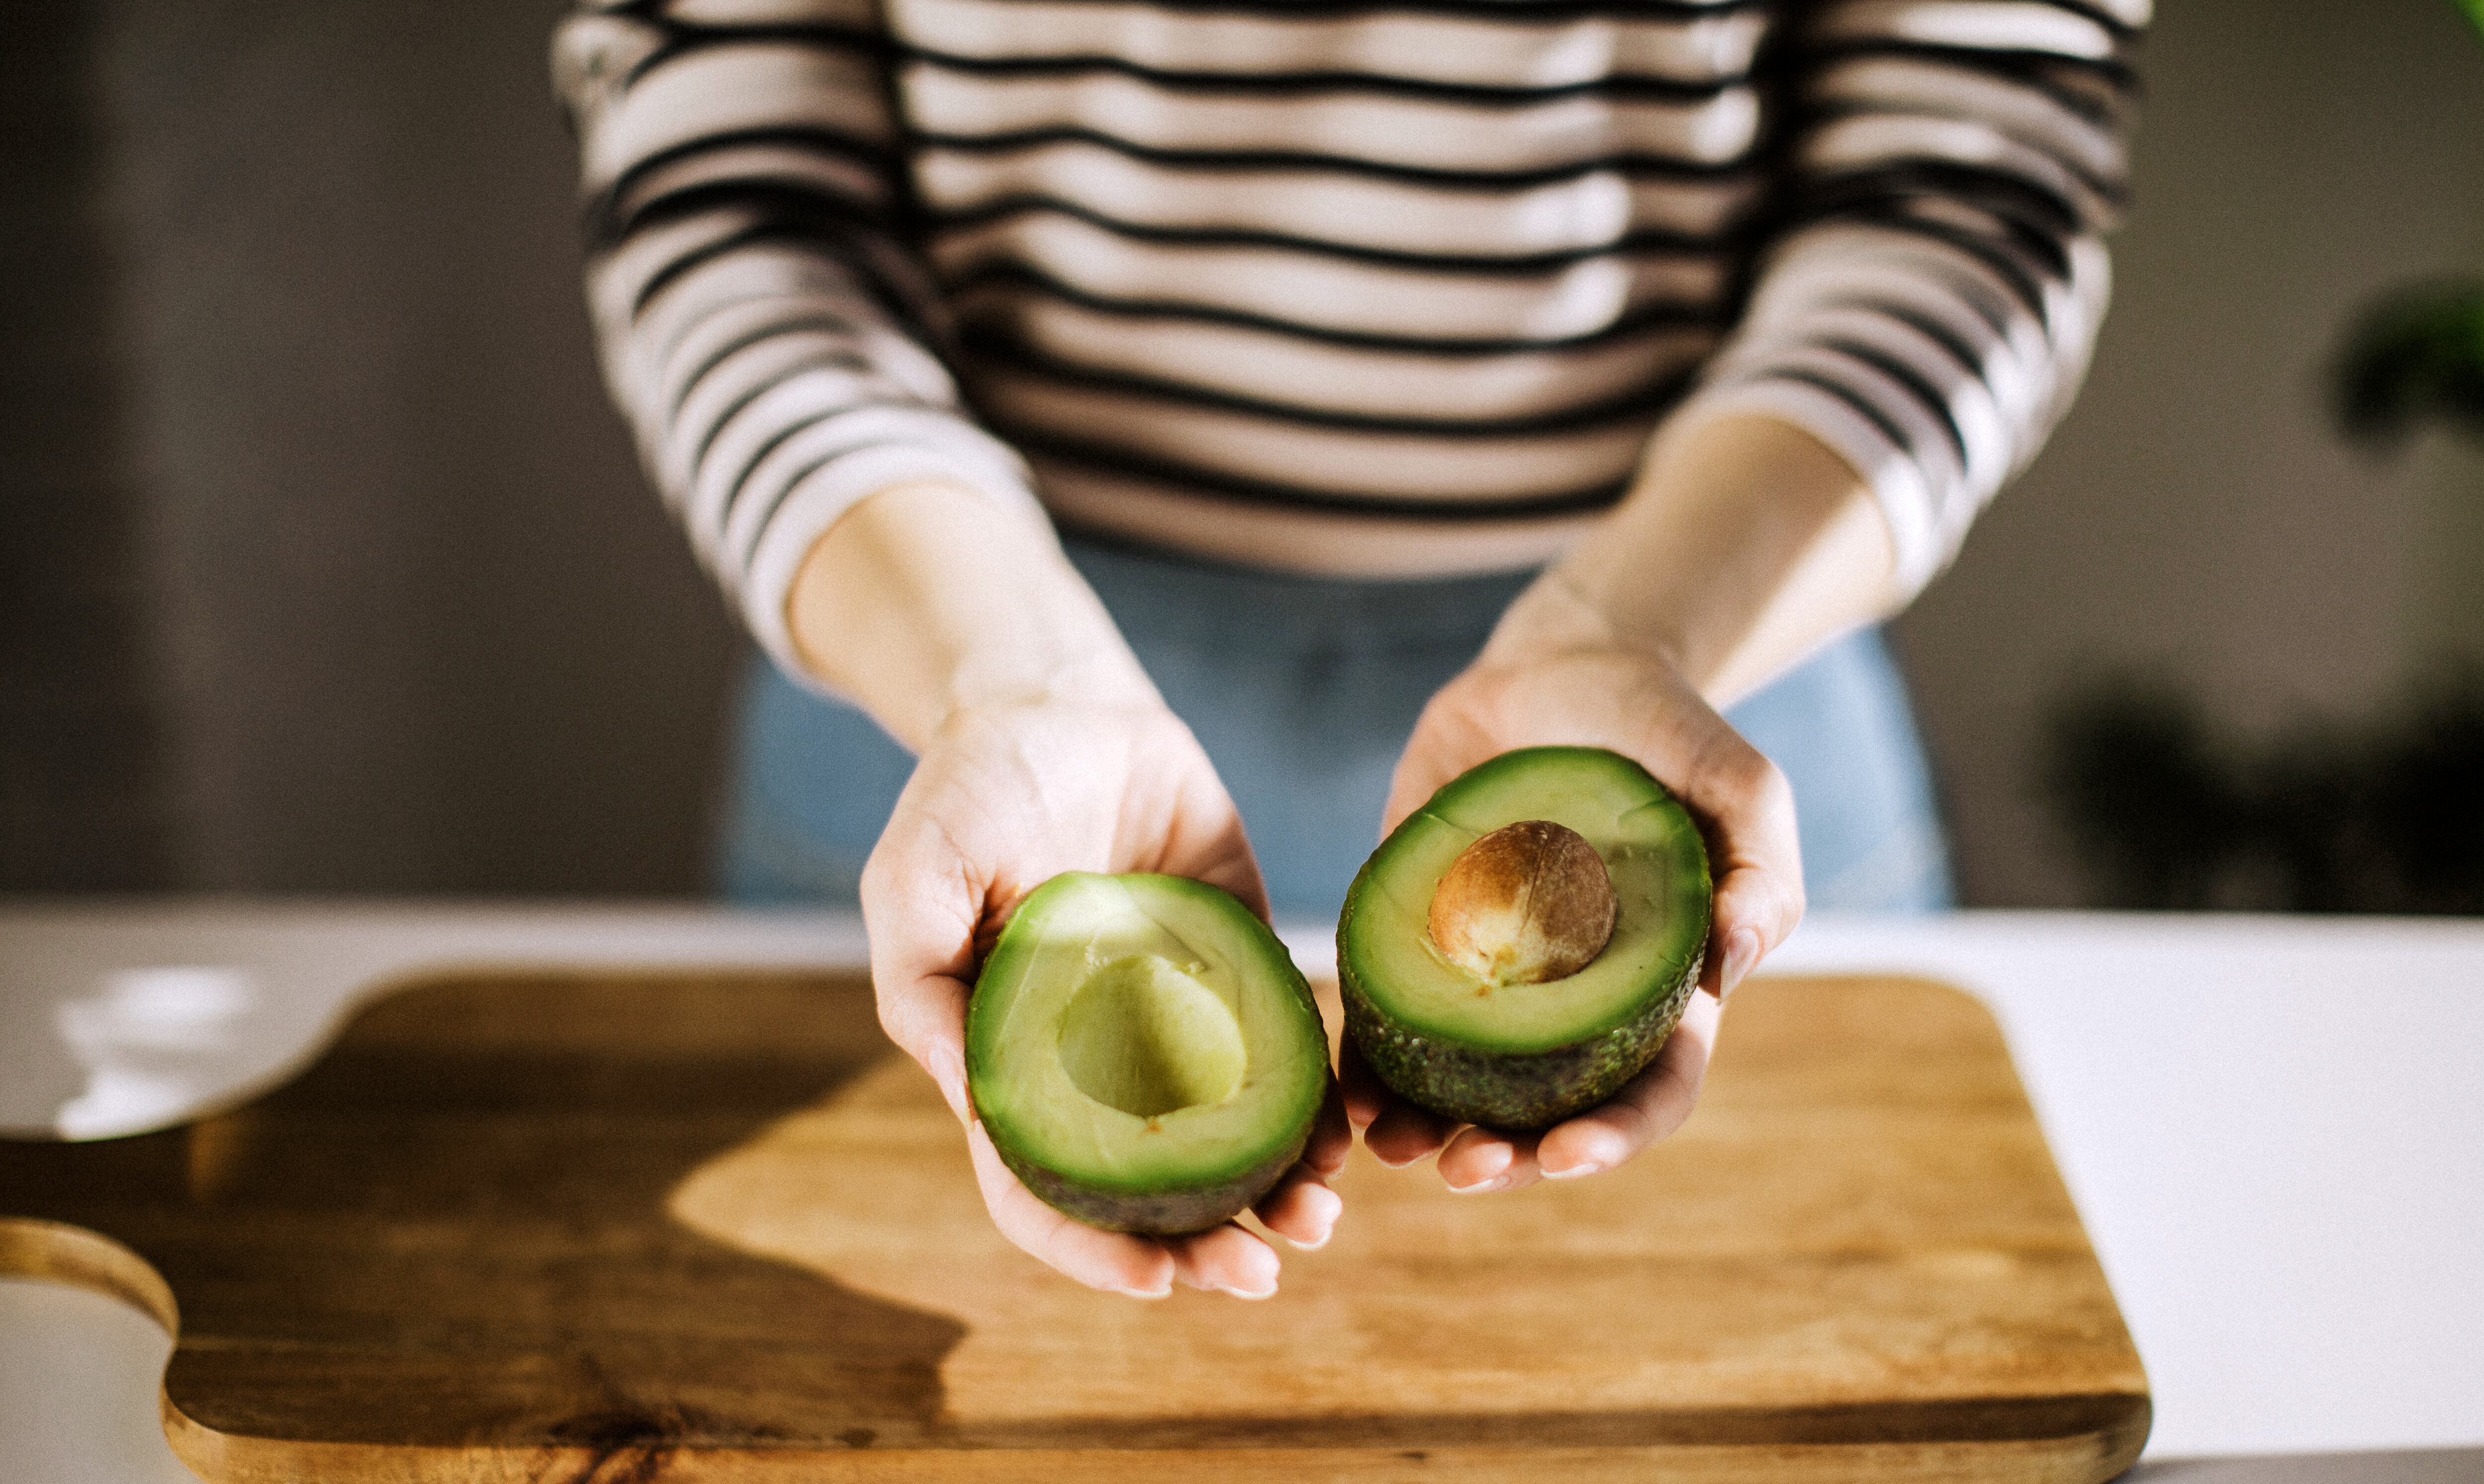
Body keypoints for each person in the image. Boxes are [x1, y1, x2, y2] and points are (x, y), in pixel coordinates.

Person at [553, 0, 2143, 1297]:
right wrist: (1008, 681)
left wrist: (1631, 625)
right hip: (955, 662)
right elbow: (734, 194)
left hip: (1691, 642)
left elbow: (1969, 178)